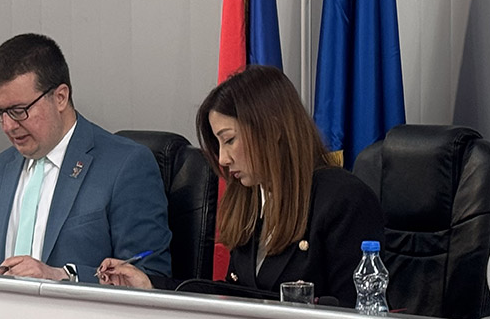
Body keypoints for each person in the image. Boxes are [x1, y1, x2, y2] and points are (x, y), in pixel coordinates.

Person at [97, 65, 385, 306]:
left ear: (273, 129)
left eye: (230, 140)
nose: (223, 159)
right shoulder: (250, 199)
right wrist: (150, 285)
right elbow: (236, 297)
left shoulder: (343, 199)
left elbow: (356, 314)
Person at [0, 33, 172, 283]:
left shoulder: (125, 166)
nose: (8, 126)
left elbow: (149, 277)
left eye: (18, 111)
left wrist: (63, 276)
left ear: (60, 97)